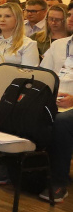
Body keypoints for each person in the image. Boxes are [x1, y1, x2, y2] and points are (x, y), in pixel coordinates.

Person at [40, 33, 73, 201]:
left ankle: (59, 181)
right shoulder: (59, 45)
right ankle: (15, 169)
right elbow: (43, 74)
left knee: (63, 122)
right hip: (55, 99)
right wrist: (50, 95)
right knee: (25, 109)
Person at [0, 3, 39, 72]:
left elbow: (28, 73)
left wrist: (0, 68)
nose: (2, 20)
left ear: (17, 19)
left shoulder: (28, 44)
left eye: (7, 16)